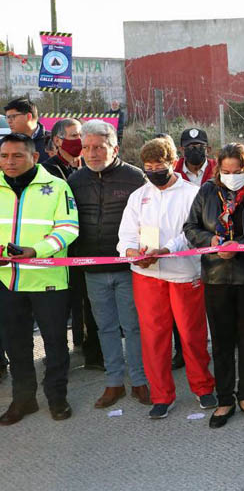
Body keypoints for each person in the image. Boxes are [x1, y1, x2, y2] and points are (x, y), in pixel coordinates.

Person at [118, 137, 217, 419]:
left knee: (192, 335)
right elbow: (125, 233)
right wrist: (130, 250)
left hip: (184, 273)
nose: (153, 171)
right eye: (147, 166)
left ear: (173, 162)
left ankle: (203, 387)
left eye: (159, 165)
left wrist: (166, 250)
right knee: (154, 337)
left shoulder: (192, 193)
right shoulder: (139, 196)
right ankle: (161, 395)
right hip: (146, 274)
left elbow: (191, 232)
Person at [184, 143, 244, 428]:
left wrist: (241, 246)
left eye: (237, 171)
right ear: (218, 170)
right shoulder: (207, 192)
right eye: (225, 171)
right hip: (216, 277)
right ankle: (225, 398)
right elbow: (191, 228)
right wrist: (211, 242)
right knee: (222, 341)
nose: (231, 175)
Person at [68, 120, 150, 409]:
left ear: (114, 148)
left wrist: (147, 251)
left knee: (134, 326)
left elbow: (148, 218)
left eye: (98, 147)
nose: (91, 153)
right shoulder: (75, 181)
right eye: (86, 147)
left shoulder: (135, 178)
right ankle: (114, 382)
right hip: (92, 270)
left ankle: (140, 381)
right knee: (105, 328)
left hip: (128, 269)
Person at [0, 133, 79, 425]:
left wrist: (38, 251)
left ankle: (57, 398)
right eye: (4, 156)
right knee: (16, 345)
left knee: (56, 344)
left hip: (49, 280)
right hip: (7, 281)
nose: (9, 162)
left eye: (17, 155)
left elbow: (69, 228)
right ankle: (24, 400)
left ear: (34, 157)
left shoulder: (57, 187)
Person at [3, 97, 50, 162]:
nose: (9, 121)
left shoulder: (53, 142)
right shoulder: (4, 144)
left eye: (13, 116)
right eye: (7, 117)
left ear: (28, 116)